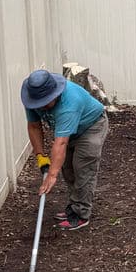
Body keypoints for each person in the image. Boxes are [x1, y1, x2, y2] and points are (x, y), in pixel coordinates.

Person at [20, 68, 108, 230]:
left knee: (82, 168)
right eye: (38, 103)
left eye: (45, 102)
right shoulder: (31, 97)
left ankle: (81, 214)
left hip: (91, 127)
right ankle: (74, 206)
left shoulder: (69, 103)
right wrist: (40, 155)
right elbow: (34, 126)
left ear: (55, 94)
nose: (42, 107)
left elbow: (60, 143)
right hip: (68, 132)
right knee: (67, 169)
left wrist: (52, 175)